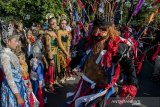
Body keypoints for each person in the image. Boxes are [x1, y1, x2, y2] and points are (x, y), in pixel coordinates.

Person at [66, 10, 138, 107]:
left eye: (102, 30)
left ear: (110, 31)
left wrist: (132, 84)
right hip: (85, 83)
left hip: (102, 89)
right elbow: (81, 55)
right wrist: (71, 65)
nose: (96, 33)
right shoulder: (88, 42)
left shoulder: (116, 47)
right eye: (95, 29)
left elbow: (129, 65)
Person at [0, 22, 30, 107]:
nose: (17, 43)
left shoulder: (11, 53)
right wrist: (18, 96)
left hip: (19, 86)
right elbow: (9, 78)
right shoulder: (4, 56)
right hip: (12, 91)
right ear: (7, 41)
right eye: (15, 41)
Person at [57, 17, 72, 83]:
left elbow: (68, 42)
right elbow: (60, 43)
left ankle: (65, 76)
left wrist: (68, 51)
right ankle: (61, 77)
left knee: (66, 63)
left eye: (65, 24)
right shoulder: (58, 32)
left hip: (66, 50)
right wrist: (65, 52)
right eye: (62, 23)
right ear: (60, 24)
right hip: (60, 50)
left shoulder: (66, 32)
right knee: (61, 64)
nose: (64, 25)